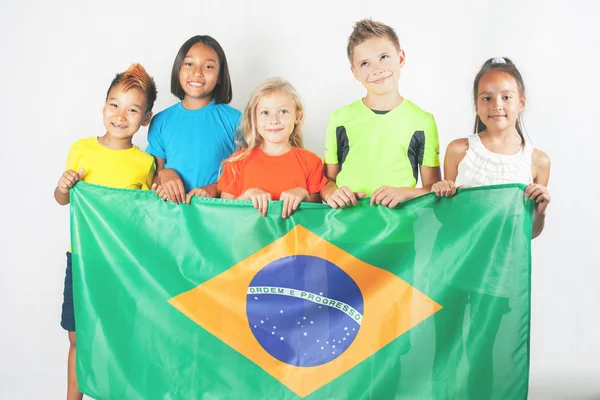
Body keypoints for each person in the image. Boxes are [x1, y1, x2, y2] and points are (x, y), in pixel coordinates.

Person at [54, 63, 157, 399]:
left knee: (119, 337)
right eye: (114, 104)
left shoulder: (145, 163)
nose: (120, 115)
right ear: (103, 107)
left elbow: (144, 217)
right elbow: (61, 200)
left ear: (144, 119)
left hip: (122, 264)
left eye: (132, 109)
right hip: (83, 259)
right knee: (78, 337)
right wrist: (65, 185)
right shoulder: (82, 149)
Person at [320, 18, 441, 209]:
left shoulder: (423, 121)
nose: (377, 69)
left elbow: (434, 189)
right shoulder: (340, 119)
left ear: (401, 58)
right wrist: (331, 193)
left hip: (398, 229)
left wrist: (406, 193)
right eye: (365, 64)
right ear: (355, 72)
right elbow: (327, 181)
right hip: (345, 227)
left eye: (384, 57)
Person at [431, 57, 551, 238]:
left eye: (506, 97)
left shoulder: (538, 161)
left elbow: (530, 232)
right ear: (476, 107)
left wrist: (540, 212)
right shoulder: (458, 150)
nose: (496, 105)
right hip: (462, 259)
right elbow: (444, 217)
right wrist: (441, 193)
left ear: (521, 103)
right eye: (487, 98)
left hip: (505, 261)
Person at [147, 35, 241, 204]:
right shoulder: (161, 121)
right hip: (172, 216)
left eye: (209, 66)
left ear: (220, 76)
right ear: (178, 69)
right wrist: (163, 175)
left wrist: (214, 188)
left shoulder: (236, 120)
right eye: (189, 64)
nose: (197, 73)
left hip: (216, 216)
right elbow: (152, 178)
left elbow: (245, 173)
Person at [218, 78, 327, 218]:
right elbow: (223, 217)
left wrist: (303, 195)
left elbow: (317, 219)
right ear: (254, 119)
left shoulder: (311, 162)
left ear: (297, 116)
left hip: (294, 239)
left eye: (283, 111)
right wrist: (246, 196)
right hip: (248, 240)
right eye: (265, 113)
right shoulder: (236, 162)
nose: (274, 120)